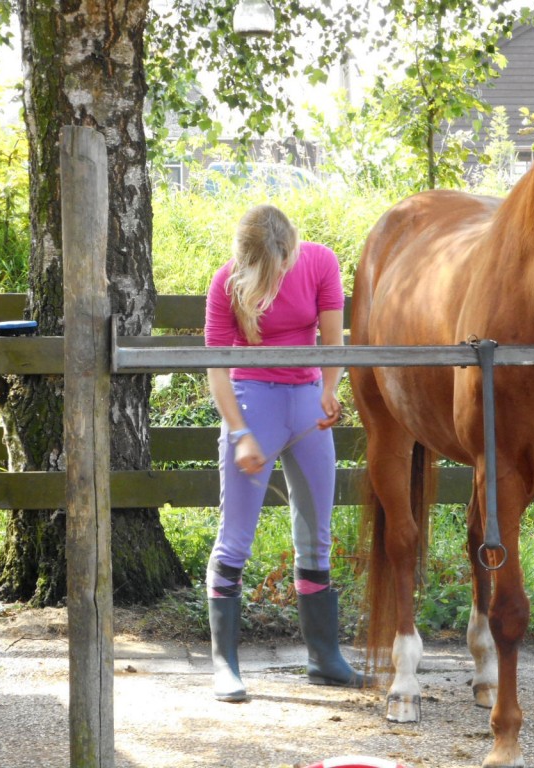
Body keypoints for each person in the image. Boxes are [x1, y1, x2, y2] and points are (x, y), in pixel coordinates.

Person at [203, 204, 365, 702]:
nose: (278, 276)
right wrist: (240, 434)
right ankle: (224, 666)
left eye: (283, 263)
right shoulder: (226, 282)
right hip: (254, 404)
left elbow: (332, 340)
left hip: (308, 406)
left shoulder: (320, 261)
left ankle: (324, 658)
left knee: (317, 537)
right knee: (235, 539)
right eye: (269, 270)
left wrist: (330, 389)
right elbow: (216, 368)